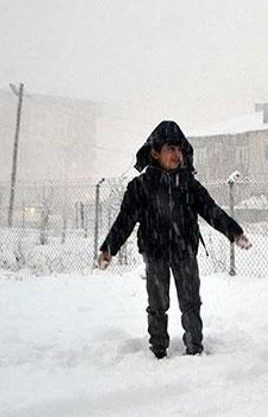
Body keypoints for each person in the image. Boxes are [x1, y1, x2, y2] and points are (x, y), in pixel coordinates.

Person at [97, 121, 252, 359]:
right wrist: (109, 248)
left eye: (179, 149)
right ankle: (158, 350)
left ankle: (195, 349)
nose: (176, 154)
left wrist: (235, 233)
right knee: (158, 304)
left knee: (191, 302)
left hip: (184, 252)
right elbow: (125, 220)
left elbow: (211, 211)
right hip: (154, 251)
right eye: (170, 149)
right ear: (155, 152)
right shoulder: (140, 187)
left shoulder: (188, 184)